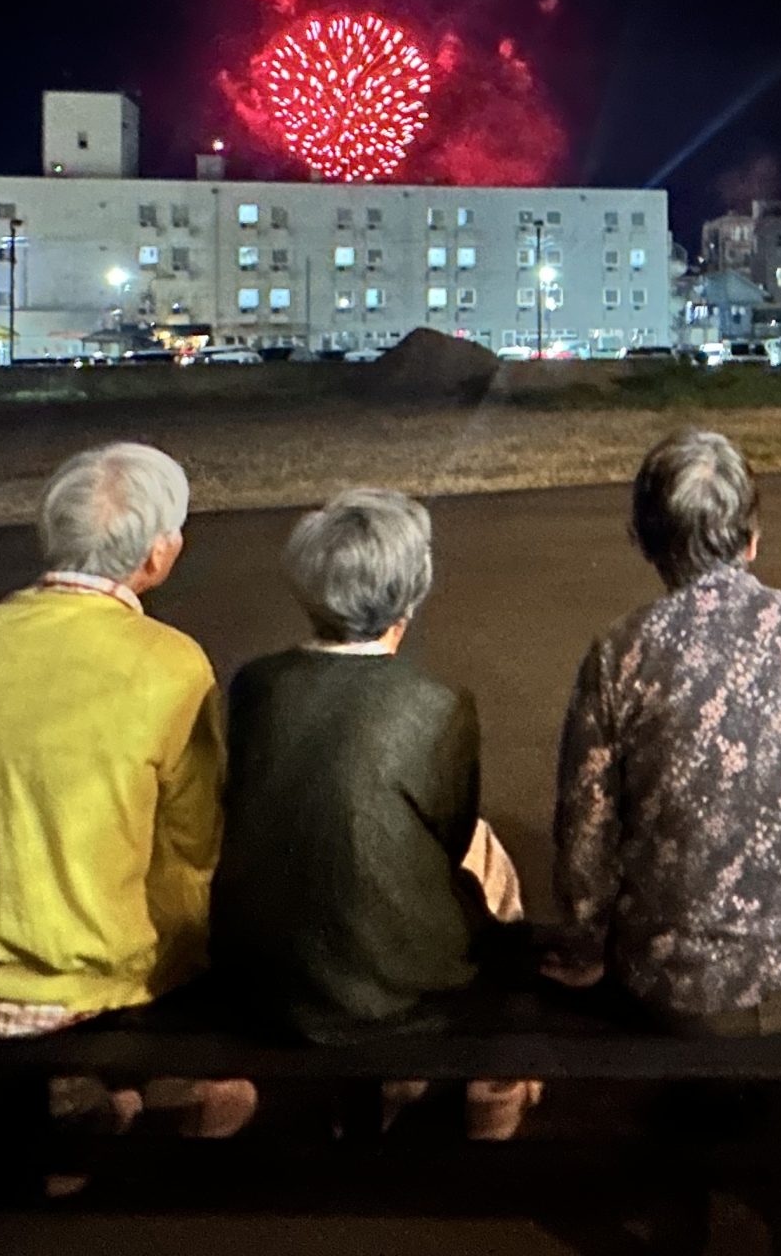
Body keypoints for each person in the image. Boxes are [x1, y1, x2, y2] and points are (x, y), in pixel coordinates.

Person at [0, 443, 251, 1136]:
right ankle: (139, 1093)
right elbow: (197, 840)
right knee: (228, 1073)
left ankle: (81, 1105)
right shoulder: (168, 663)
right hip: (82, 981)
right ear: (158, 555)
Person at [210, 488, 537, 1138]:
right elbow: (450, 833)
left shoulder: (256, 685)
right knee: (491, 869)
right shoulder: (436, 705)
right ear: (410, 595)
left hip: (264, 976)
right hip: (398, 985)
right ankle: (498, 1083)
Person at [551, 429, 781, 1034]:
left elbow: (584, 836)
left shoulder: (618, 654)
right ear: (751, 539)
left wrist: (583, 947)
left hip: (672, 985)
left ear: (645, 541)